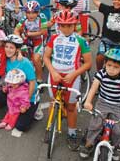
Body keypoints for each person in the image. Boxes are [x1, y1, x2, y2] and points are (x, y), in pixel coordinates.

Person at [79, 48, 120, 159]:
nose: (111, 69)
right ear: (105, 64)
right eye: (109, 65)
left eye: (116, 67)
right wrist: (88, 102)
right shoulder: (101, 74)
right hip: (102, 103)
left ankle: (115, 147)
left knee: (117, 130)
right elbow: (93, 88)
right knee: (95, 125)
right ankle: (89, 145)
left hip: (118, 106)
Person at [43, 10, 92, 150]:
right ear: (58, 25)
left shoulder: (81, 41)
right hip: (55, 75)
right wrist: (52, 71)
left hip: (72, 76)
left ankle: (71, 132)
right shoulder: (53, 38)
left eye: (69, 26)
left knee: (71, 107)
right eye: (62, 25)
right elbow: (46, 57)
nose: (65, 29)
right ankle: (49, 127)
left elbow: (88, 63)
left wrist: (74, 74)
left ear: (74, 25)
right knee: (53, 102)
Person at [0, 34, 39, 138]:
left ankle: (35, 108)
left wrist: (26, 102)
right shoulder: (6, 60)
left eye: (11, 47)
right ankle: (12, 107)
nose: (8, 50)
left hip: (27, 95)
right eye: (6, 47)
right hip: (13, 92)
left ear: (17, 49)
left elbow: (32, 82)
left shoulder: (25, 62)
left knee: (20, 126)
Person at [14, 0, 48, 84]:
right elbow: (16, 30)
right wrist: (19, 41)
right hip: (28, 39)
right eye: (28, 13)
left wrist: (30, 34)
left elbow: (44, 32)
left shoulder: (42, 17)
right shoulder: (24, 19)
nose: (31, 15)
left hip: (39, 40)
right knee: (18, 53)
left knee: (36, 59)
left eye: (33, 13)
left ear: (38, 12)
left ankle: (39, 79)